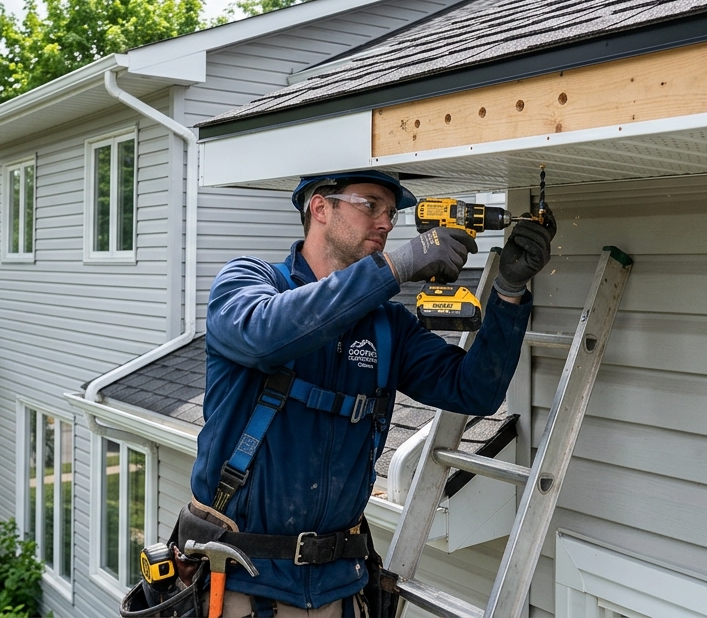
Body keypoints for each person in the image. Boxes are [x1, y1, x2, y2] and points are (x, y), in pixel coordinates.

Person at [180, 169, 555, 618]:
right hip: (240, 581)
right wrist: (396, 267)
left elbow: (474, 390)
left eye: (391, 213)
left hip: (339, 588)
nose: (386, 223)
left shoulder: (386, 325)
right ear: (321, 207)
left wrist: (509, 292)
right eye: (370, 205)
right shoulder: (247, 282)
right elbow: (265, 336)